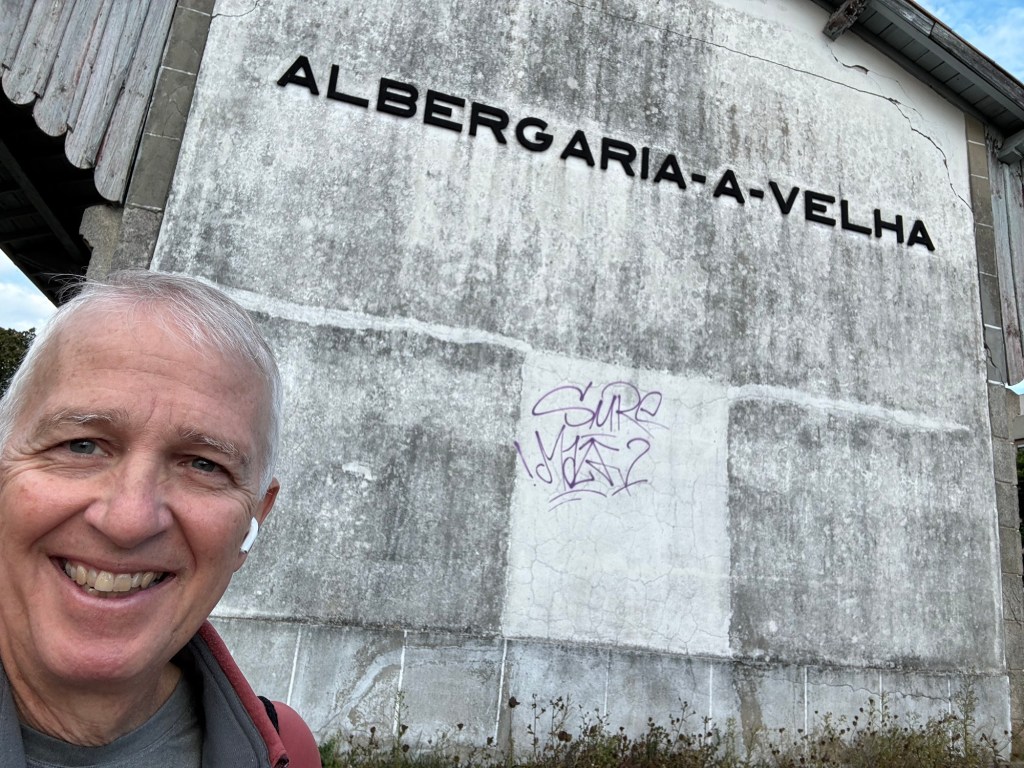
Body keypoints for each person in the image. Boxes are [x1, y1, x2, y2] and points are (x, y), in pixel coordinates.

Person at [0, 270, 321, 767]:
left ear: (252, 521)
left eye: (203, 465)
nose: (128, 521)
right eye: (80, 445)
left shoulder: (287, 748)